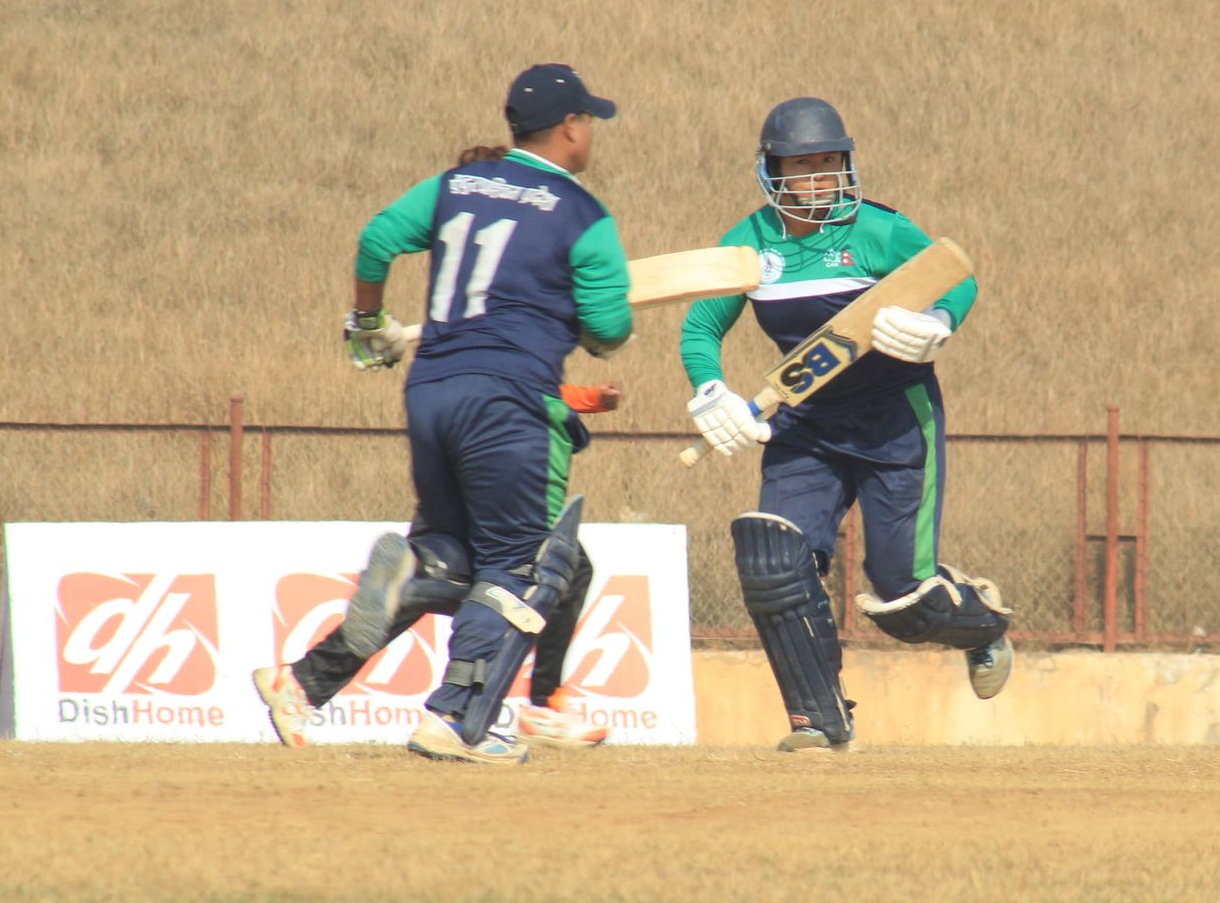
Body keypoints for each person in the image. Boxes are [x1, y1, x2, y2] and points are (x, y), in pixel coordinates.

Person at [257, 63, 631, 764]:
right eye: (590, 123)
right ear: (572, 127)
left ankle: (321, 670)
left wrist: (368, 321)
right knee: (523, 567)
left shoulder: (456, 188)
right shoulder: (583, 215)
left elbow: (376, 238)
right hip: (510, 399)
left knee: (465, 556)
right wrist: (582, 317)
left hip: (431, 391)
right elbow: (610, 329)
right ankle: (458, 716)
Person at [679, 97, 1013, 752]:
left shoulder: (878, 232)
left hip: (896, 423)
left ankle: (983, 627)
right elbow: (701, 325)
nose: (822, 177)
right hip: (806, 425)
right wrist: (709, 390)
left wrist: (936, 324)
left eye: (831, 161)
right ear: (773, 171)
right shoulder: (747, 244)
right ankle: (820, 718)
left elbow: (956, 277)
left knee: (904, 602)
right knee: (777, 560)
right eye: (805, 165)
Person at [252, 380, 622, 753]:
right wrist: (581, 397)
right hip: (498, 453)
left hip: (450, 444)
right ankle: (524, 709)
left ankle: (303, 681)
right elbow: (523, 374)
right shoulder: (517, 342)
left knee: (436, 578)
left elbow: (517, 372)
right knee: (541, 570)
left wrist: (587, 398)